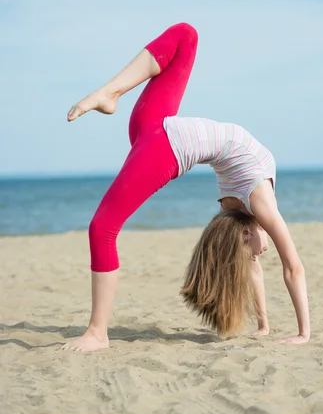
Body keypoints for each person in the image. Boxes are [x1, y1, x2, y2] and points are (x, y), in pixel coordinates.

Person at [62, 22, 310, 351]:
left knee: (102, 228)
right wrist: (304, 332)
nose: (260, 254)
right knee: (185, 34)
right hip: (159, 131)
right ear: (249, 230)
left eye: (251, 252)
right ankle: (110, 92)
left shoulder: (237, 208)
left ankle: (97, 332)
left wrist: (265, 325)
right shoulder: (260, 203)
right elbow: (293, 267)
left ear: (244, 233)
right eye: (257, 250)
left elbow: (251, 264)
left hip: (160, 138)